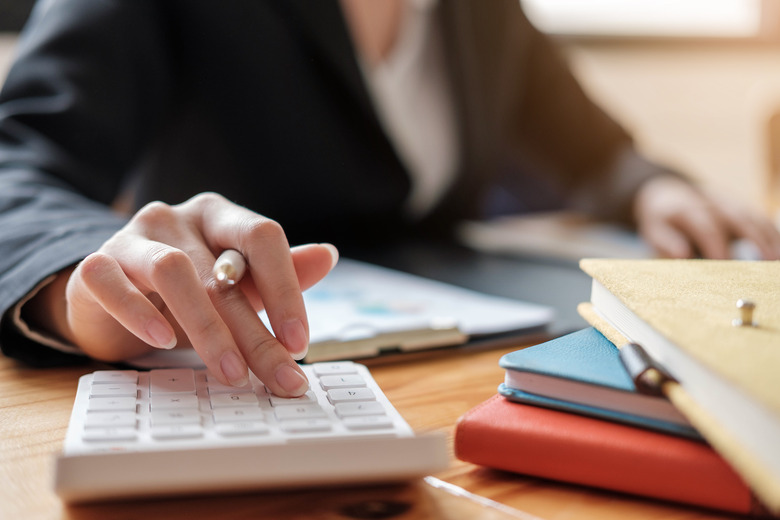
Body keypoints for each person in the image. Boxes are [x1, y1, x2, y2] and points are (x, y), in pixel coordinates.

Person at [1, 0, 778, 395]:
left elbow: (589, 148)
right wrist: (85, 288)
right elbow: (16, 168)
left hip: (458, 381)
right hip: (239, 379)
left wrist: (655, 188)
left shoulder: (477, 12)